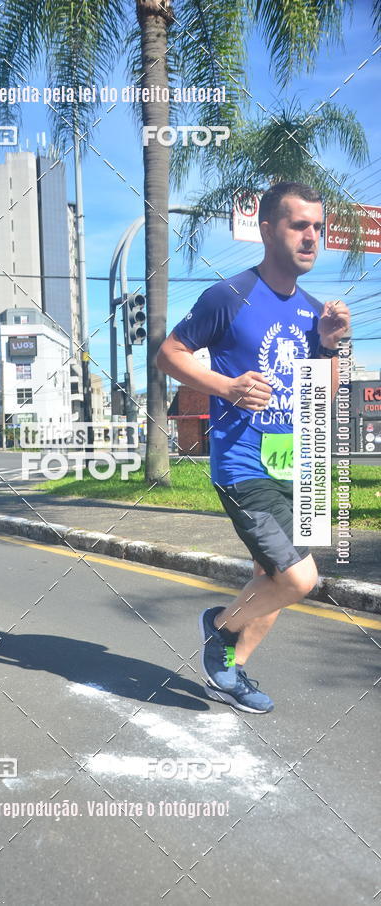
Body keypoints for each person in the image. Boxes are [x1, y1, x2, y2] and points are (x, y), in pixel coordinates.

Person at [157, 182, 350, 714]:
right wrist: (226, 387)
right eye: (299, 225)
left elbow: (322, 396)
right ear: (267, 230)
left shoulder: (315, 311)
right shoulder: (230, 296)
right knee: (298, 578)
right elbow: (170, 354)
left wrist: (330, 345)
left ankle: (229, 670)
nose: (311, 237)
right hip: (244, 463)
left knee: (274, 577)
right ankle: (220, 629)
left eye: (318, 227)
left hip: (300, 464)